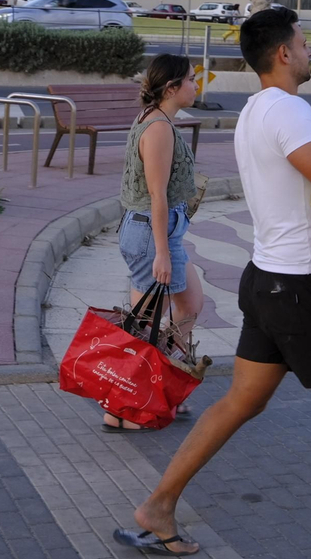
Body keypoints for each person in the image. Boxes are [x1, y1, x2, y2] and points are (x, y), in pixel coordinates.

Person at [115, 7, 311, 559]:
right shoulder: (288, 109)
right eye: (304, 44)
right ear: (284, 53)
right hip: (298, 289)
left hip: (265, 281)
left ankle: (156, 508)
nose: (308, 52)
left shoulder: (256, 110)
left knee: (239, 402)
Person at [107, 53, 205, 432]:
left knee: (189, 304)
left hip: (154, 231)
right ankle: (123, 406)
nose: (197, 86)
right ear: (172, 88)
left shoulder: (158, 119)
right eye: (192, 80)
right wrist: (162, 253)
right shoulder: (159, 129)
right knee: (144, 325)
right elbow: (156, 195)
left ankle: (159, 381)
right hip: (152, 234)